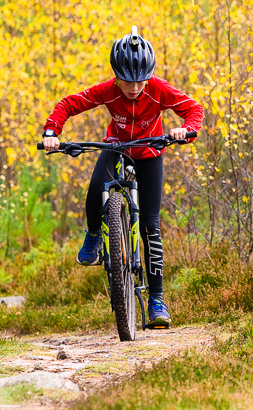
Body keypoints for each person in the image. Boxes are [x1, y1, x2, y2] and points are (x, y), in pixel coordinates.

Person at [38, 30, 203, 329]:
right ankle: (93, 237)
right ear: (116, 76)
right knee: (94, 190)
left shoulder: (158, 89)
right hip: (115, 147)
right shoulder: (108, 90)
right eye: (128, 80)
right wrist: (52, 132)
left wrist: (184, 130)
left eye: (141, 80)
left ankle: (156, 301)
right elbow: (68, 104)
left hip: (151, 152)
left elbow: (194, 109)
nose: (135, 87)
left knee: (151, 225)